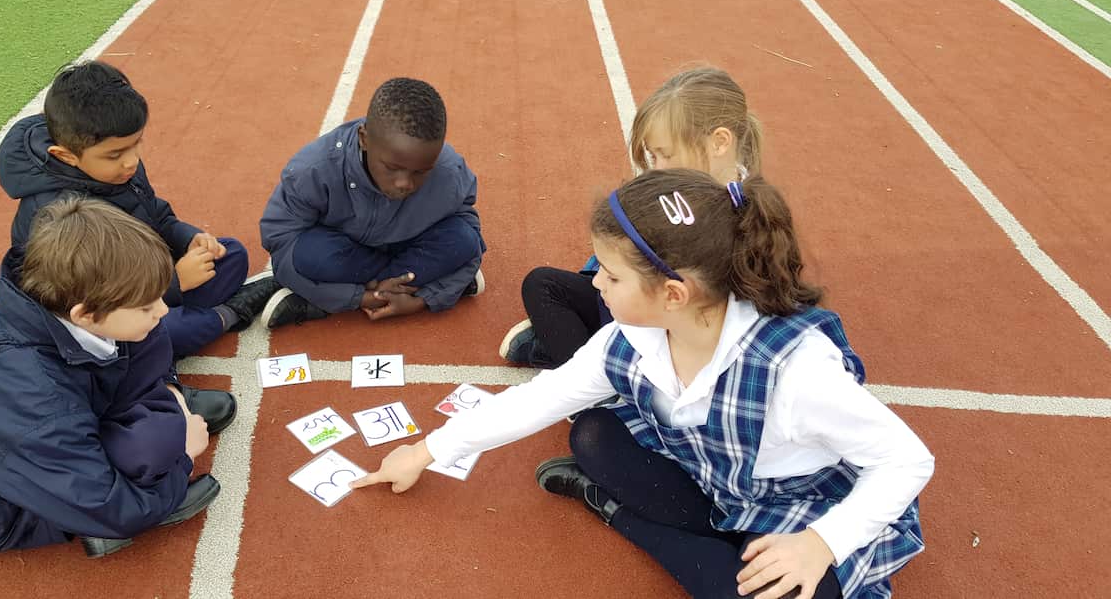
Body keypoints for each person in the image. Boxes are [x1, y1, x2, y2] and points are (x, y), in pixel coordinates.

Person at [354, 170, 933, 599]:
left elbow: (907, 461)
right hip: (711, 479)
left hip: (799, 505)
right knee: (592, 436)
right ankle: (698, 534)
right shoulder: (626, 341)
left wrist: (822, 543)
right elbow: (538, 400)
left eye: (609, 273)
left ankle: (617, 513)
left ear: (673, 294)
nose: (595, 283)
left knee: (782, 592)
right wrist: (424, 451)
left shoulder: (796, 372)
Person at [0, 198, 235, 559]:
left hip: (61, 420)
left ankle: (150, 444)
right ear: (85, 315)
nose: (162, 309)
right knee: (158, 446)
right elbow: (114, 506)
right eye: (147, 305)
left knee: (156, 402)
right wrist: (185, 458)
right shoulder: (36, 401)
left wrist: (172, 392)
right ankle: (84, 525)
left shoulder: (67, 302)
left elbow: (146, 351)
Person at [0, 60, 278, 359]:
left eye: (137, 144)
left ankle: (181, 315)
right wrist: (174, 283)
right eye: (116, 154)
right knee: (165, 332)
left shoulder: (116, 167)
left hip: (146, 274)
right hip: (100, 310)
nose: (132, 161)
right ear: (65, 156)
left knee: (230, 254)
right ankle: (229, 313)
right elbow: (89, 300)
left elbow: (154, 213)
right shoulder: (57, 214)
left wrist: (188, 237)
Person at [501, 66, 760, 369]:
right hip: (628, 306)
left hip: (665, 327)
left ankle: (580, 365)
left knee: (596, 388)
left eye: (666, 154)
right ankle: (579, 358)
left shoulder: (743, 215)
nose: (657, 167)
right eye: (653, 156)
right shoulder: (670, 189)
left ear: (718, 142)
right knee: (541, 283)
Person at [258, 77, 485, 328]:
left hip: (408, 247)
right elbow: (281, 243)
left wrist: (422, 300)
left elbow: (469, 235)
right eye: (392, 168)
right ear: (364, 139)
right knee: (308, 255)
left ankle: (324, 301)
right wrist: (359, 297)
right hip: (347, 255)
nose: (404, 183)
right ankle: (418, 285)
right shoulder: (313, 170)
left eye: (421, 171)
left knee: (462, 240)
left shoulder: (449, 171)